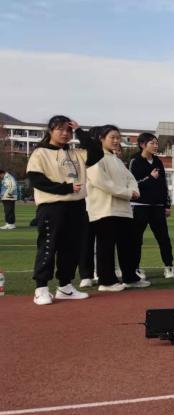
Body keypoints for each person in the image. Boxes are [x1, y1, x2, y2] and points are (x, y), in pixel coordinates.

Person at [25, 116, 91, 305]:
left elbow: (96, 154)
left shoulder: (76, 152)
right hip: (52, 206)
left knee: (71, 247)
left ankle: (65, 286)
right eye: (60, 129)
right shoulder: (40, 153)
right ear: (50, 131)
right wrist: (65, 188)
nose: (65, 133)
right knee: (48, 245)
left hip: (77, 205)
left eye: (68, 130)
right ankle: (41, 288)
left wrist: (79, 131)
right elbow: (36, 180)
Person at [82, 124, 149, 292]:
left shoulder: (116, 160)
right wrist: (128, 193)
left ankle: (130, 277)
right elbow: (102, 182)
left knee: (127, 245)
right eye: (112, 137)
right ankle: (107, 281)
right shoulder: (95, 158)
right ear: (101, 138)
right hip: (104, 209)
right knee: (106, 246)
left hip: (123, 209)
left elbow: (130, 178)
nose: (116, 141)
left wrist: (134, 190)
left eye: (118, 138)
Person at [129, 133, 174, 279]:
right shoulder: (135, 161)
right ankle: (135, 268)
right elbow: (132, 184)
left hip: (157, 206)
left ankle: (169, 266)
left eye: (156, 143)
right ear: (142, 145)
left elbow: (163, 185)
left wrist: (167, 205)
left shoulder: (158, 162)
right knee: (136, 239)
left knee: (164, 238)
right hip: (139, 205)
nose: (156, 146)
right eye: (152, 143)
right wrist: (150, 178)